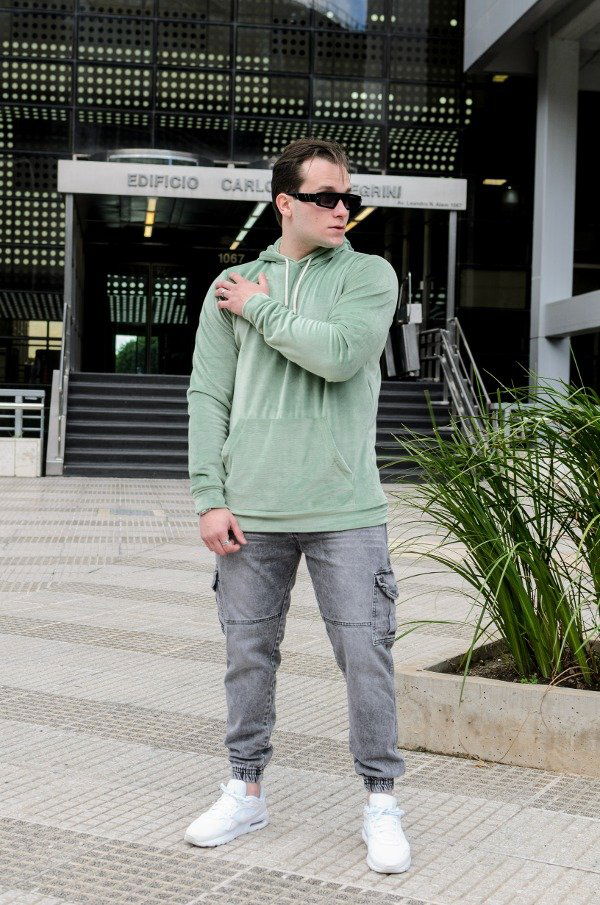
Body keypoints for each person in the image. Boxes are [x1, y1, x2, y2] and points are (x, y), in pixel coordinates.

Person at [184, 137, 411, 874]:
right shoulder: (230, 284)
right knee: (247, 654)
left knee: (366, 654)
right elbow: (208, 395)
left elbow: (340, 354)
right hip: (252, 509)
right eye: (325, 198)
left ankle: (380, 800)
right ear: (285, 203)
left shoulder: (369, 275)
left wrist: (262, 309)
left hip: (346, 506)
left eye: (347, 197)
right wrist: (209, 496)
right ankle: (245, 788)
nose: (342, 209)